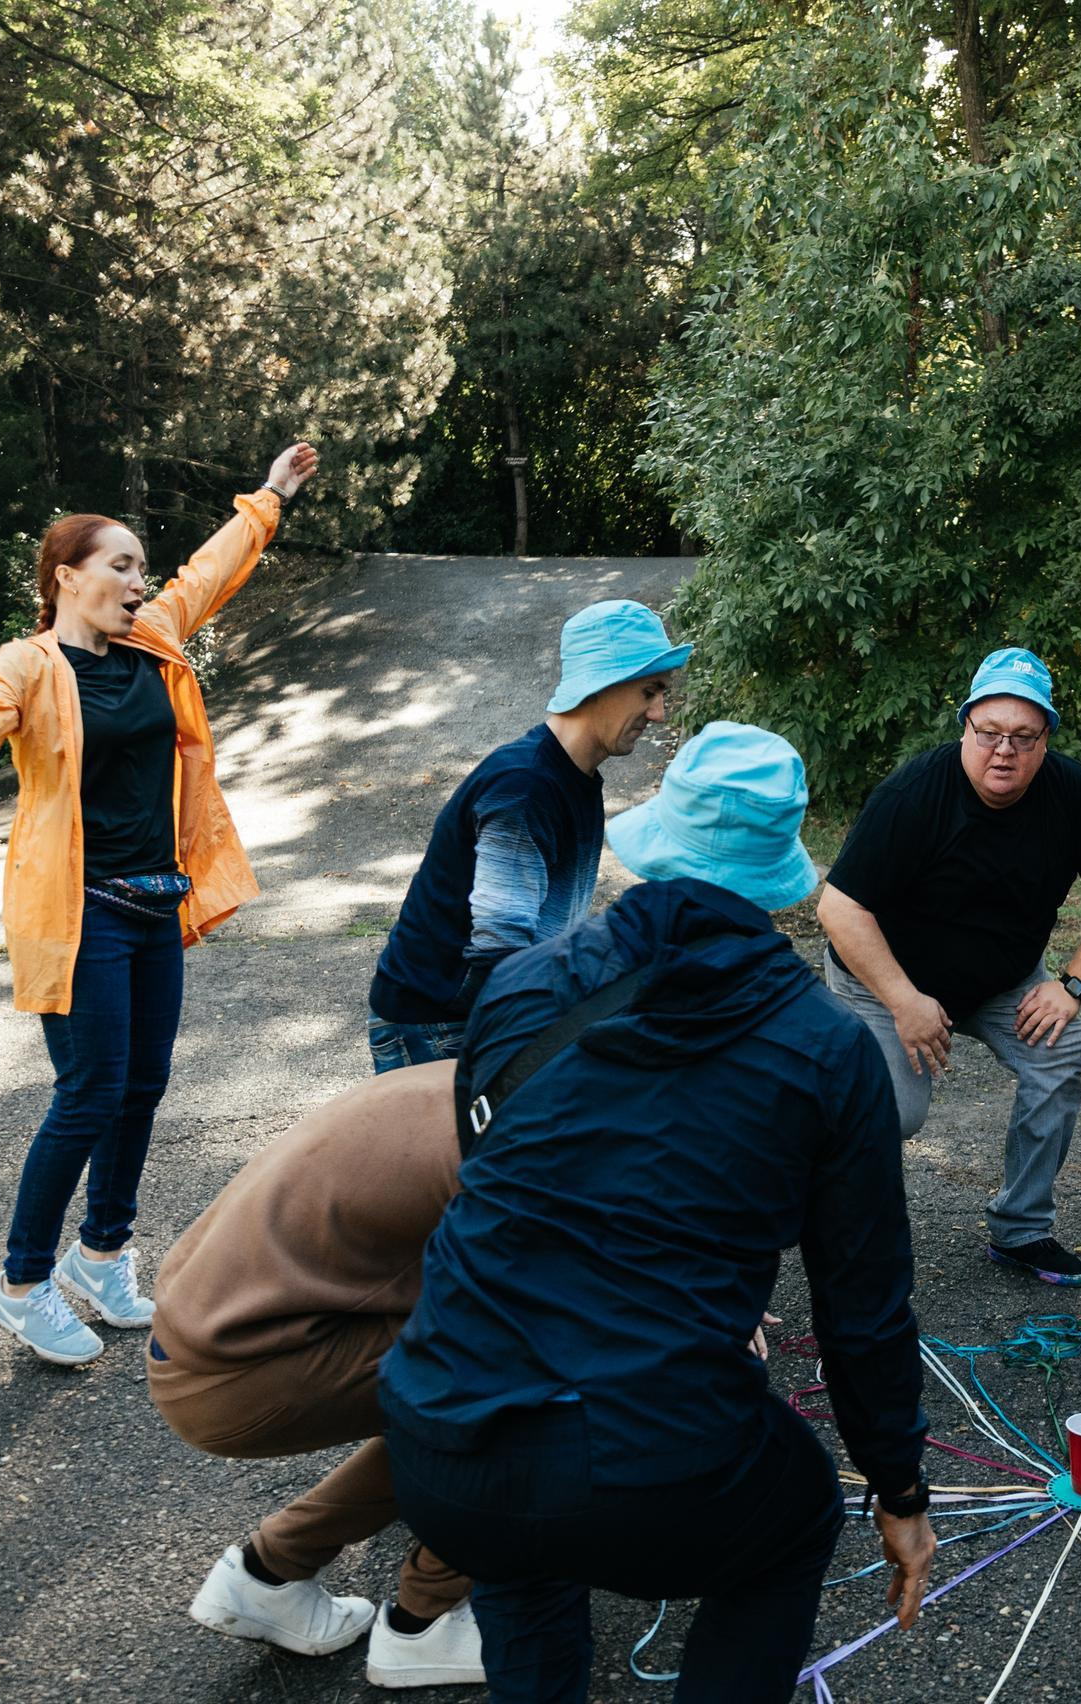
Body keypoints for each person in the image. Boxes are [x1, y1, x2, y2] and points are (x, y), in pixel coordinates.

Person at [380, 723, 936, 1704]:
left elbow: (501, 1186)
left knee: (525, 1550)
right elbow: (863, 1311)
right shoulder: (827, 1050)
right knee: (799, 1510)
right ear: (780, 877)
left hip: (439, 1431)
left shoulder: (519, 988)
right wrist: (899, 1490)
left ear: (663, 836)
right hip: (646, 1461)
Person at [0, 442, 318, 1366]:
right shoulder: (25, 667)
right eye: (121, 565)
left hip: (155, 903)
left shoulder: (154, 642)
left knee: (141, 1087)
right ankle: (21, 1281)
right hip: (80, 914)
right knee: (89, 1094)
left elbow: (210, 570)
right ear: (68, 578)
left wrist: (270, 497)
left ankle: (102, 1254)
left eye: (142, 568)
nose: (141, 582)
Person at [818, 647, 1081, 1287]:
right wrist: (904, 1001)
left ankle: (1021, 1230)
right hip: (884, 979)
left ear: (1046, 739)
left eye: (1024, 737)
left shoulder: (1072, 794)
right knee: (894, 1111)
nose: (1005, 751)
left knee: (1059, 1050)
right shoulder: (914, 794)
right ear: (964, 728)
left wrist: (1072, 984)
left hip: (1002, 980)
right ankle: (839, 1230)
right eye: (990, 733)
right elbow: (840, 906)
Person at [149, 1062, 482, 1688]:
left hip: (203, 1345)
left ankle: (266, 1576)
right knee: (523, 1378)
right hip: (242, 1374)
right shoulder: (527, 1140)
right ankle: (426, 1623)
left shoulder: (475, 1075)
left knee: (466, 1371)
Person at [363, 597, 689, 1070]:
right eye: (649, 691)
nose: (659, 713)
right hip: (438, 1023)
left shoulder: (571, 775)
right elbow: (503, 950)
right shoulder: (527, 787)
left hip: (476, 1012)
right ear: (603, 683)